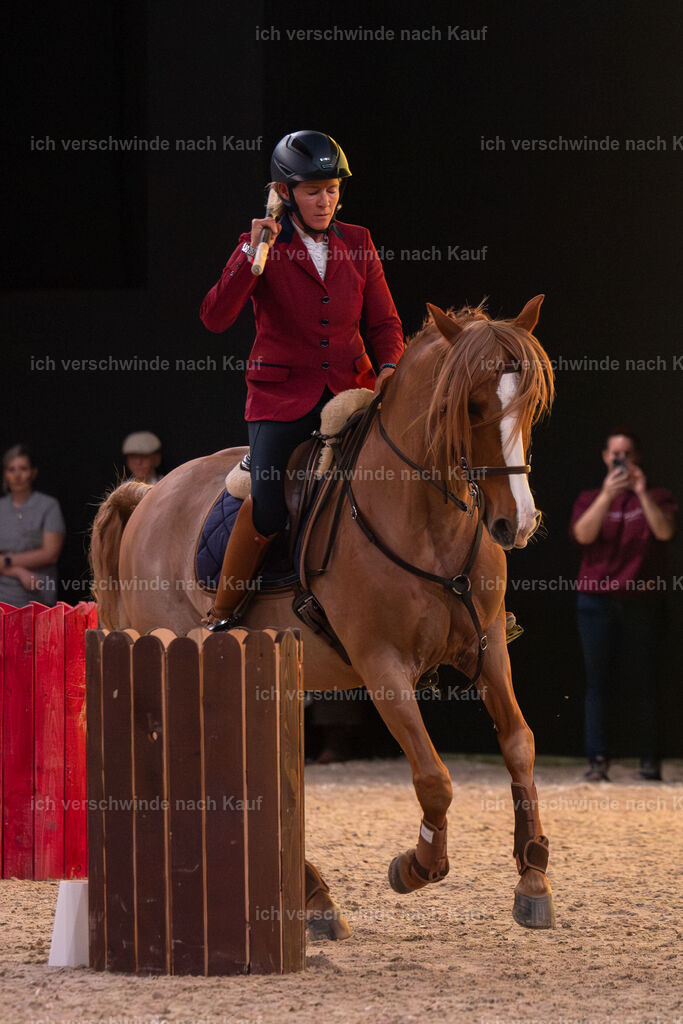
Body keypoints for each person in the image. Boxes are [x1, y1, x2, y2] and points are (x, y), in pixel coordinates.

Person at [199, 130, 404, 630]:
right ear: (286, 191)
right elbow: (215, 317)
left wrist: (390, 370)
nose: (325, 200)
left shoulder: (357, 241)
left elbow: (384, 324)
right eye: (314, 190)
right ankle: (223, 611)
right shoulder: (260, 243)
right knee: (268, 506)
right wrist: (252, 255)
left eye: (332, 189)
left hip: (353, 390)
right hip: (281, 398)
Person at [570, 430, 677, 781]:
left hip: (641, 601)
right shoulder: (589, 498)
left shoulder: (659, 496)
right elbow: (583, 535)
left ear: (637, 458)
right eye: (615, 454)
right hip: (595, 602)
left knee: (645, 682)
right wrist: (607, 495)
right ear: (605, 457)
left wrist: (642, 492)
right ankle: (597, 761)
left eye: (626, 454)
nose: (621, 460)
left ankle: (649, 761)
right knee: (597, 684)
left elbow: (664, 533)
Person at [0, 444, 66, 608]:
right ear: (5, 474)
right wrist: (17, 571)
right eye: (11, 469)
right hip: (3, 598)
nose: (17, 475)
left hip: (38, 596)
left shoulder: (48, 506)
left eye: (23, 468)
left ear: (33, 472)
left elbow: (50, 554)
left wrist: (6, 560)